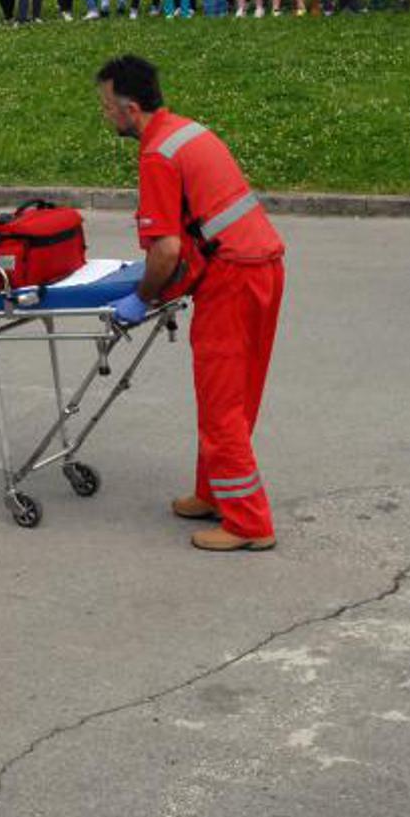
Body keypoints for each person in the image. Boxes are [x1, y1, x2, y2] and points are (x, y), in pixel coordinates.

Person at [94, 56, 285, 553]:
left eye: (107, 107)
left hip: (233, 279)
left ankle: (248, 524)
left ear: (130, 109)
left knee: (221, 400)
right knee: (232, 395)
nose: (105, 115)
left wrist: (141, 298)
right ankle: (215, 492)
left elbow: (166, 250)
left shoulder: (158, 155)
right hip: (259, 265)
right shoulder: (185, 131)